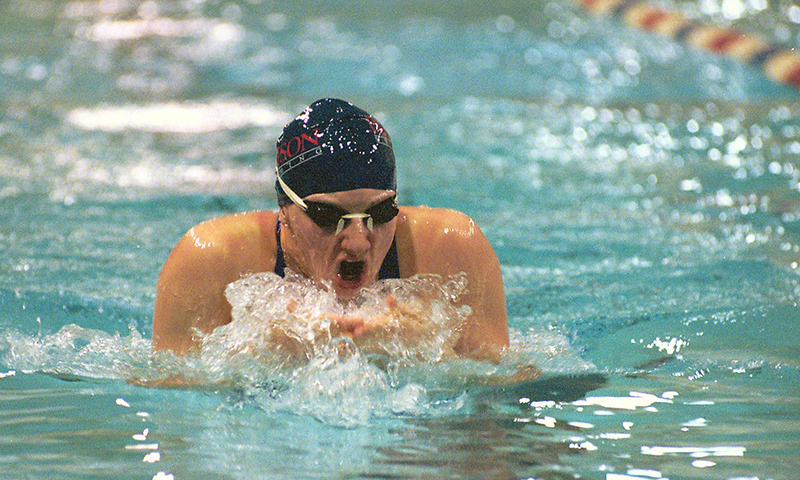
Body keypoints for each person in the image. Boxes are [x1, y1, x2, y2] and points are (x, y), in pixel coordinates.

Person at [152, 98, 509, 361]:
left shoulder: (452, 248)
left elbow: (505, 395)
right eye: (326, 215)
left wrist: (432, 352)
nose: (357, 243)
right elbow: (168, 404)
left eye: (381, 211)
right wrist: (256, 355)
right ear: (285, 209)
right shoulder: (212, 259)